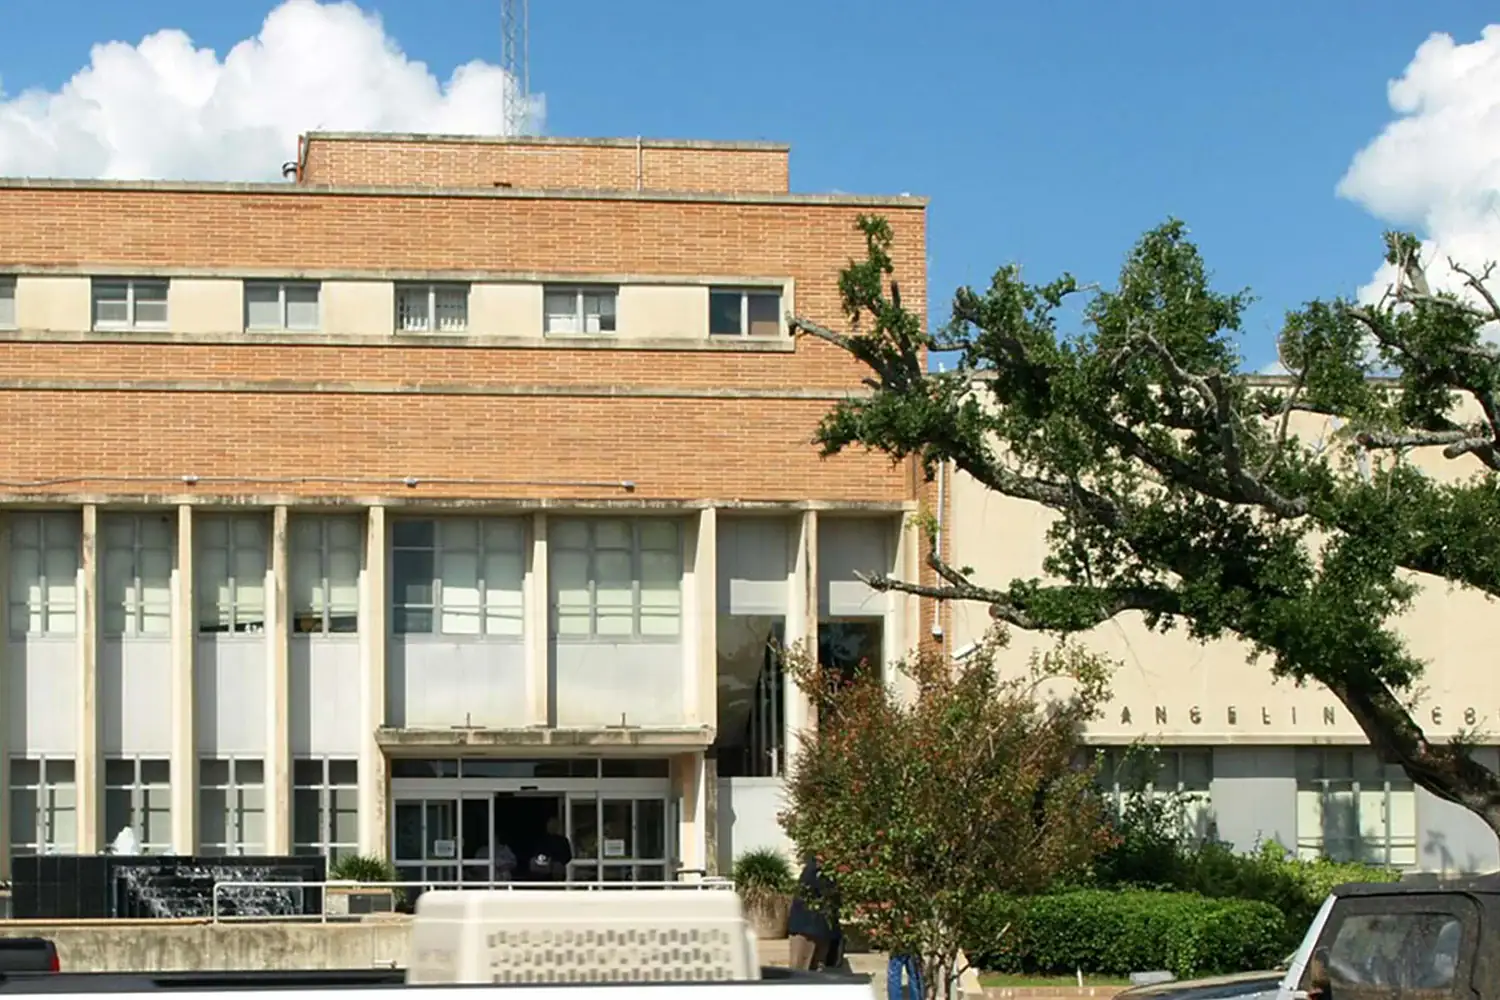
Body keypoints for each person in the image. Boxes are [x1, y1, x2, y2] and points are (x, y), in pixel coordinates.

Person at [787, 853, 839, 971]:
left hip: (822, 929)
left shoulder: (826, 870)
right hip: (807, 930)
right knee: (800, 972)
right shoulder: (813, 870)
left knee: (817, 973)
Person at [526, 815, 575, 881]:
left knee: (558, 869)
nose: (552, 826)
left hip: (557, 870)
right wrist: (545, 860)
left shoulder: (563, 840)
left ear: (558, 826)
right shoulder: (541, 839)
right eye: (550, 824)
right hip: (542, 868)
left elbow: (568, 856)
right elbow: (536, 853)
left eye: (554, 824)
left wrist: (557, 862)